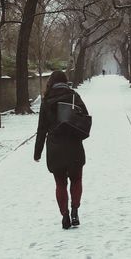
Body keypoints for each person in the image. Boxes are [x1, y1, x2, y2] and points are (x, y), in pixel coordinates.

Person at [34, 70, 89, 229]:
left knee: (60, 183)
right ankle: (75, 211)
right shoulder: (74, 97)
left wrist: (37, 153)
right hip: (74, 145)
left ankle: (64, 214)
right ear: (66, 81)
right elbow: (85, 117)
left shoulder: (46, 101)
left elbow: (41, 129)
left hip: (55, 148)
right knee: (76, 179)